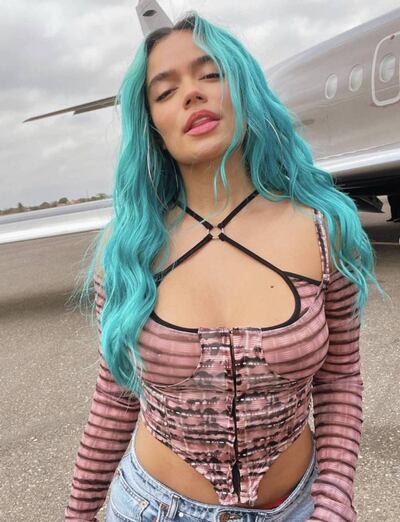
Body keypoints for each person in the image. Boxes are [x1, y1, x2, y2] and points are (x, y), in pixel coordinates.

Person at [64, 11, 385, 522]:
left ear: (245, 90)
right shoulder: (126, 252)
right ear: (153, 128)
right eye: (165, 92)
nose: (192, 94)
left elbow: (340, 379)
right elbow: (116, 396)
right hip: (151, 507)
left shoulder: (326, 232)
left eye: (211, 75)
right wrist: (78, 513)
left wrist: (333, 502)